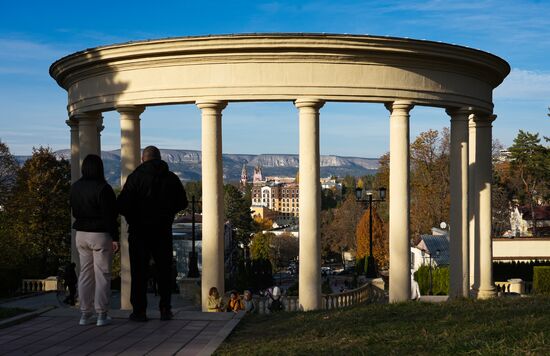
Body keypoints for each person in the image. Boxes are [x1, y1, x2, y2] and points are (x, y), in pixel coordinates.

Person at [117, 146, 187, 321]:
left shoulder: (135, 178)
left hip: (139, 231)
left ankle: (139, 310)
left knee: (139, 271)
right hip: (162, 230)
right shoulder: (170, 178)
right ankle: (165, 308)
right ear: (160, 158)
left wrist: (134, 216)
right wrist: (168, 212)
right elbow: (182, 202)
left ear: (143, 159)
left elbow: (122, 204)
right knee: (164, 270)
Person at [70, 154, 119, 327]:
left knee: (85, 273)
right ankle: (101, 314)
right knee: (102, 275)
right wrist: (115, 237)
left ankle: (84, 313)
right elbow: (110, 216)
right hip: (100, 234)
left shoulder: (75, 187)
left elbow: (75, 211)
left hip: (81, 234)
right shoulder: (103, 188)